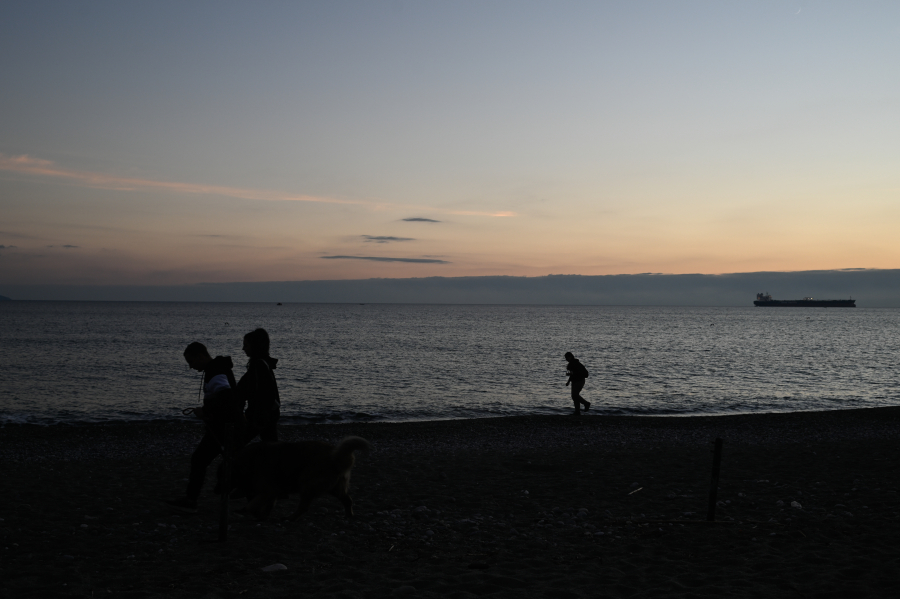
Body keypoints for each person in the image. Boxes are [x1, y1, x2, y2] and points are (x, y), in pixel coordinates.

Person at [165, 342, 241, 514]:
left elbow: (226, 397)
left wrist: (205, 411)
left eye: (191, 362)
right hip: (227, 425)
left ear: (200, 356)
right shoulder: (217, 369)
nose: (191, 367)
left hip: (223, 428)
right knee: (231, 461)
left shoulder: (215, 372)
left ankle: (191, 500)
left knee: (200, 460)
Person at [238, 328, 281, 443]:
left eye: (246, 345)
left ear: (254, 346)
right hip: (266, 416)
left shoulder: (258, 366)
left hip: (260, 417)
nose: (243, 349)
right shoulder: (263, 363)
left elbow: (264, 394)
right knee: (271, 446)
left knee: (236, 443)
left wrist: (252, 416)